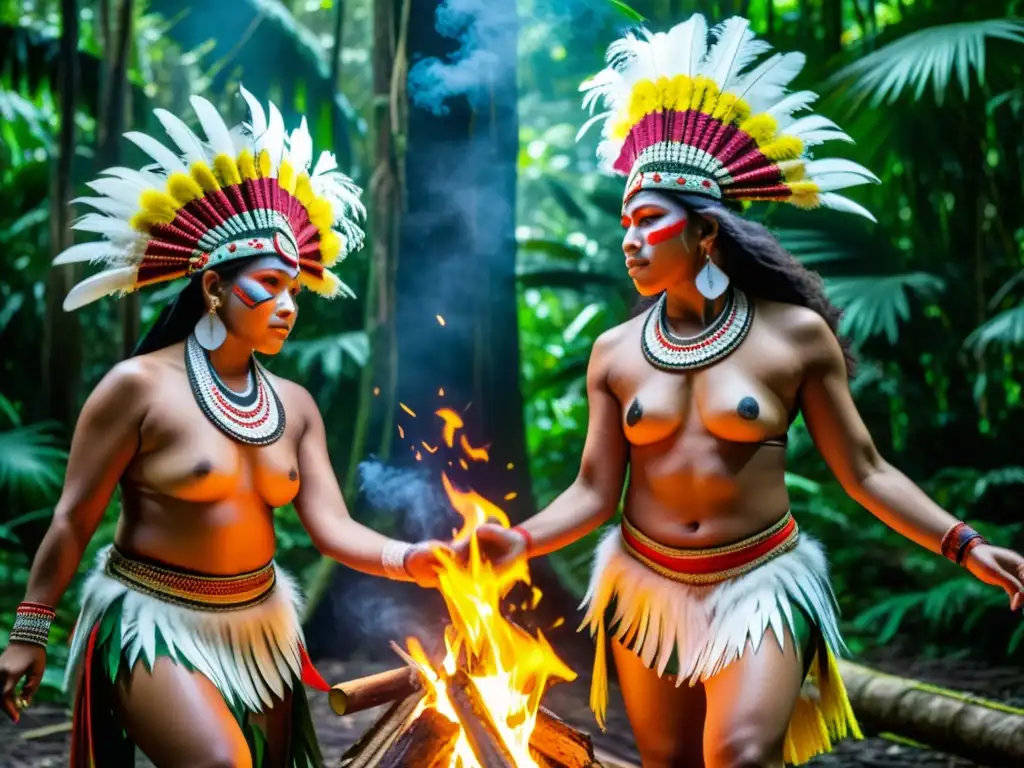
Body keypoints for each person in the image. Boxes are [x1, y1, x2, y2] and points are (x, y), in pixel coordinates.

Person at [461, 14, 1024, 768]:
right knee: (667, 762)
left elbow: (866, 471)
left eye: (649, 221)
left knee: (741, 752)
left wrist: (965, 543)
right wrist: (520, 540)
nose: (629, 238)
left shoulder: (793, 336)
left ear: (705, 235)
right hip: (644, 582)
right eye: (626, 222)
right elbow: (595, 491)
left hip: (762, 581)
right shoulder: (614, 352)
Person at [0, 86, 448, 767]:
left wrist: (408, 559)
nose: (287, 305)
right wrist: (29, 632)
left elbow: (331, 527)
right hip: (153, 618)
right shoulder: (137, 387)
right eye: (268, 285)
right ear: (213, 287)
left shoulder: (294, 405)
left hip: (261, 623)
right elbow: (72, 520)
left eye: (296, 290)